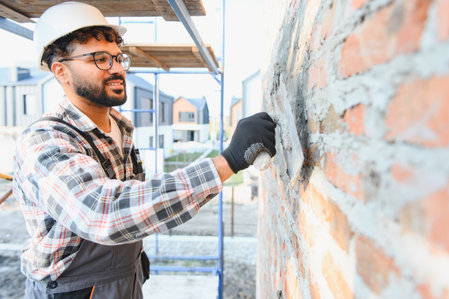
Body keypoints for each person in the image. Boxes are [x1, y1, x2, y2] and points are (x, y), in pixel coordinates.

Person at [12, 1, 276, 298]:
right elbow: (105, 213)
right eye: (99, 59)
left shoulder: (120, 129)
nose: (116, 69)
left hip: (125, 279)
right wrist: (227, 162)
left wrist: (132, 262)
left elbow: (137, 201)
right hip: (73, 290)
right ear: (61, 71)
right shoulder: (45, 141)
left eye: (117, 57)